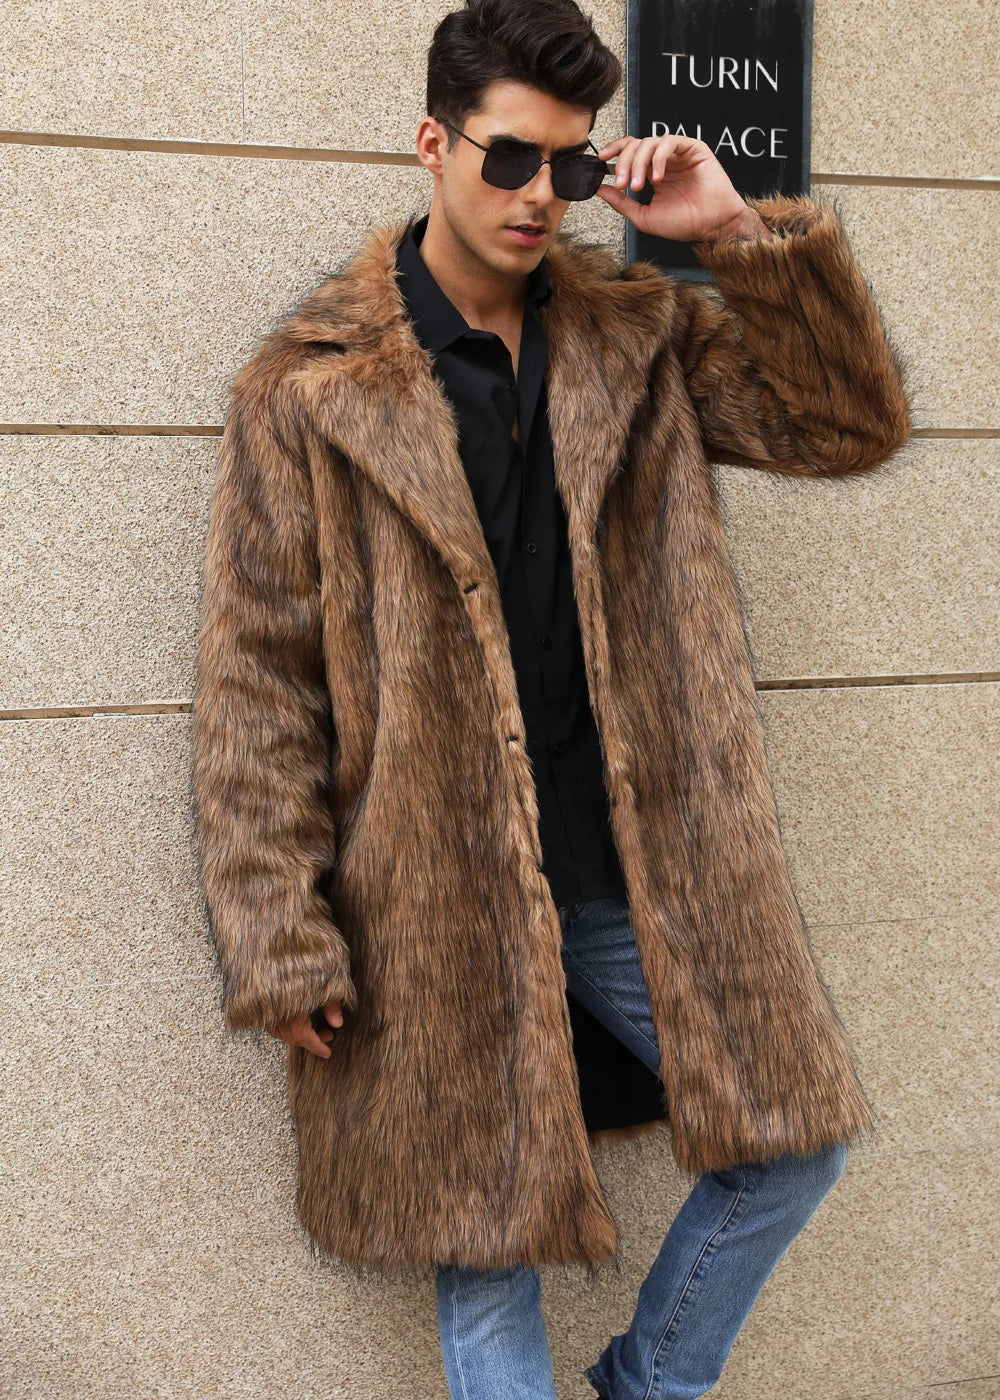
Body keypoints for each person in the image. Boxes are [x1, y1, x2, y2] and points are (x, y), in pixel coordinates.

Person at [191, 1, 912, 1395]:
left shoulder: (640, 340)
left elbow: (846, 427)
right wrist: (279, 933)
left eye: (571, 165)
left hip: (639, 876)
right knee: (486, 1242)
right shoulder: (309, 390)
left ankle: (649, 1381)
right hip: (433, 895)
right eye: (511, 157)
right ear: (433, 143)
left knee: (791, 1150)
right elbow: (258, 682)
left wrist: (731, 235)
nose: (541, 195)